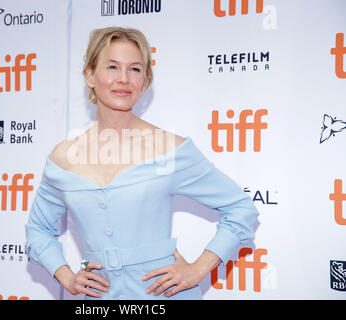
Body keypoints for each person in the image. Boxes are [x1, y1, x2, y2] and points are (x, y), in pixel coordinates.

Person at [25, 26, 259, 300]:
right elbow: (38, 230)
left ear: (145, 81)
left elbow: (241, 208)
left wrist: (198, 269)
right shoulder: (64, 157)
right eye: (112, 66)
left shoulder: (169, 148)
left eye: (135, 69)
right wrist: (64, 273)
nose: (123, 79)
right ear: (90, 75)